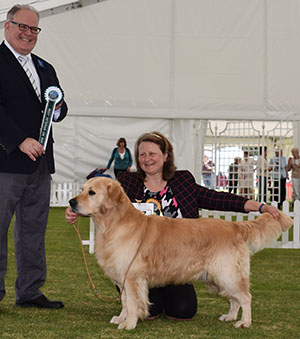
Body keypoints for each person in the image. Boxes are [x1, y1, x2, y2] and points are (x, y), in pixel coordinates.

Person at [66, 131, 279, 321]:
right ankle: (135, 306)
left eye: (152, 153)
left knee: (183, 310)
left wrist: (259, 206)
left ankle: (234, 307)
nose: (146, 159)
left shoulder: (182, 180)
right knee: (151, 308)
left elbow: (215, 198)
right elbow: (103, 205)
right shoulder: (128, 183)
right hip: (142, 263)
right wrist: (76, 209)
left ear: (166, 156)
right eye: (142, 154)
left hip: (179, 260)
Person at [0, 4, 68, 309]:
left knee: (33, 230)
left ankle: (29, 291)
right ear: (7, 26)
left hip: (40, 165)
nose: (28, 34)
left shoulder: (45, 67)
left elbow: (57, 105)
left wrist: (59, 107)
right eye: (22, 27)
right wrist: (19, 141)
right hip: (6, 162)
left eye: (34, 29)